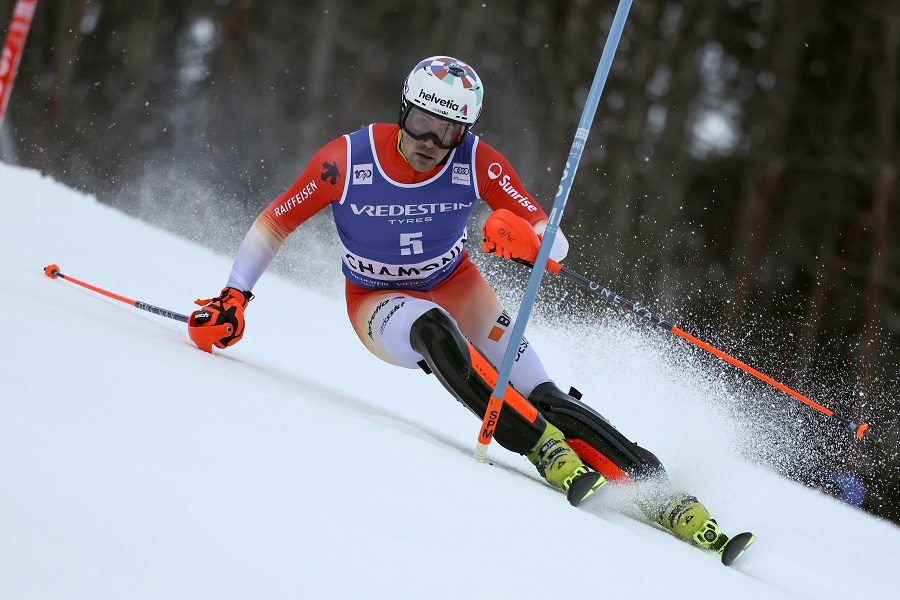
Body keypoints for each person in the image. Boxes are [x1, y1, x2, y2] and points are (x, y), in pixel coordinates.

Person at [188, 55, 740, 556]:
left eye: (448, 130)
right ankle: (543, 449)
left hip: (456, 281)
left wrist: (528, 241)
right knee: (434, 330)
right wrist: (234, 297)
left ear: (465, 131)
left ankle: (665, 495)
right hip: (378, 299)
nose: (430, 140)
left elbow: (552, 239)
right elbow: (275, 221)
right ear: (403, 110)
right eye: (421, 122)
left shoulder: (477, 162)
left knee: (544, 394)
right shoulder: (346, 160)